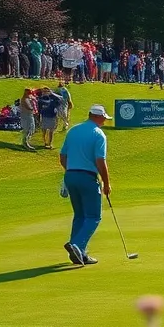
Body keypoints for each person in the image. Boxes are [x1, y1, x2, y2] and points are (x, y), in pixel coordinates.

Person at [59, 104, 113, 266]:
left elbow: (62, 156)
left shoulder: (74, 130)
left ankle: (79, 254)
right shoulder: (98, 134)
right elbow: (100, 161)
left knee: (80, 215)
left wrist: (71, 171)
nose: (104, 121)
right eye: (103, 117)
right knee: (93, 216)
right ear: (96, 116)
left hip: (70, 176)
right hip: (87, 178)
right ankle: (77, 245)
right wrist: (106, 183)